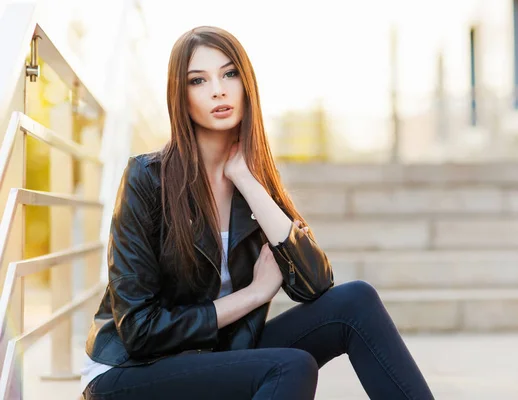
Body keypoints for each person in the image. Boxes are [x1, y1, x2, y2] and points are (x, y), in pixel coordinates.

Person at [81, 25, 434, 400]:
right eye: (198, 81)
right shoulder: (147, 179)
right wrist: (254, 294)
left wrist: (246, 180)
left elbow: (314, 284)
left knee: (355, 301)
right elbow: (139, 330)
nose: (218, 89)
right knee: (291, 365)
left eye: (229, 74)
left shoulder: (254, 179)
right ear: (180, 98)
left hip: (215, 355)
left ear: (246, 84)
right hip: (130, 372)